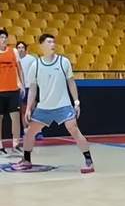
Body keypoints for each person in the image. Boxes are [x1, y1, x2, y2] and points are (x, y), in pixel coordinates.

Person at [14, 34, 95, 173]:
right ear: (42, 46)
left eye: (53, 42)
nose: (53, 44)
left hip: (63, 106)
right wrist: (28, 108)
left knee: (74, 129)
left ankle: (89, 161)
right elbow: (32, 88)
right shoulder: (36, 65)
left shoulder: (64, 62)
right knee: (29, 133)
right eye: (49, 42)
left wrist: (76, 102)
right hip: (44, 107)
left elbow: (71, 82)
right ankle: (26, 160)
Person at [0, 28, 25, 155]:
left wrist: (22, 84)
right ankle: (0, 146)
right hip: (0, 91)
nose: (3, 39)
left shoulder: (13, 51)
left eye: (5, 37)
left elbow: (20, 69)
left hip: (13, 90)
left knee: (15, 117)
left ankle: (16, 144)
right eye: (1, 37)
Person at [16, 41, 37, 131]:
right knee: (23, 110)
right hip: (20, 88)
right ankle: (25, 129)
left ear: (25, 49)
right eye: (19, 48)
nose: (21, 49)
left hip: (30, 87)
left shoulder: (31, 59)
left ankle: (35, 130)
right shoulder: (15, 60)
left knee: (32, 109)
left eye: (22, 48)